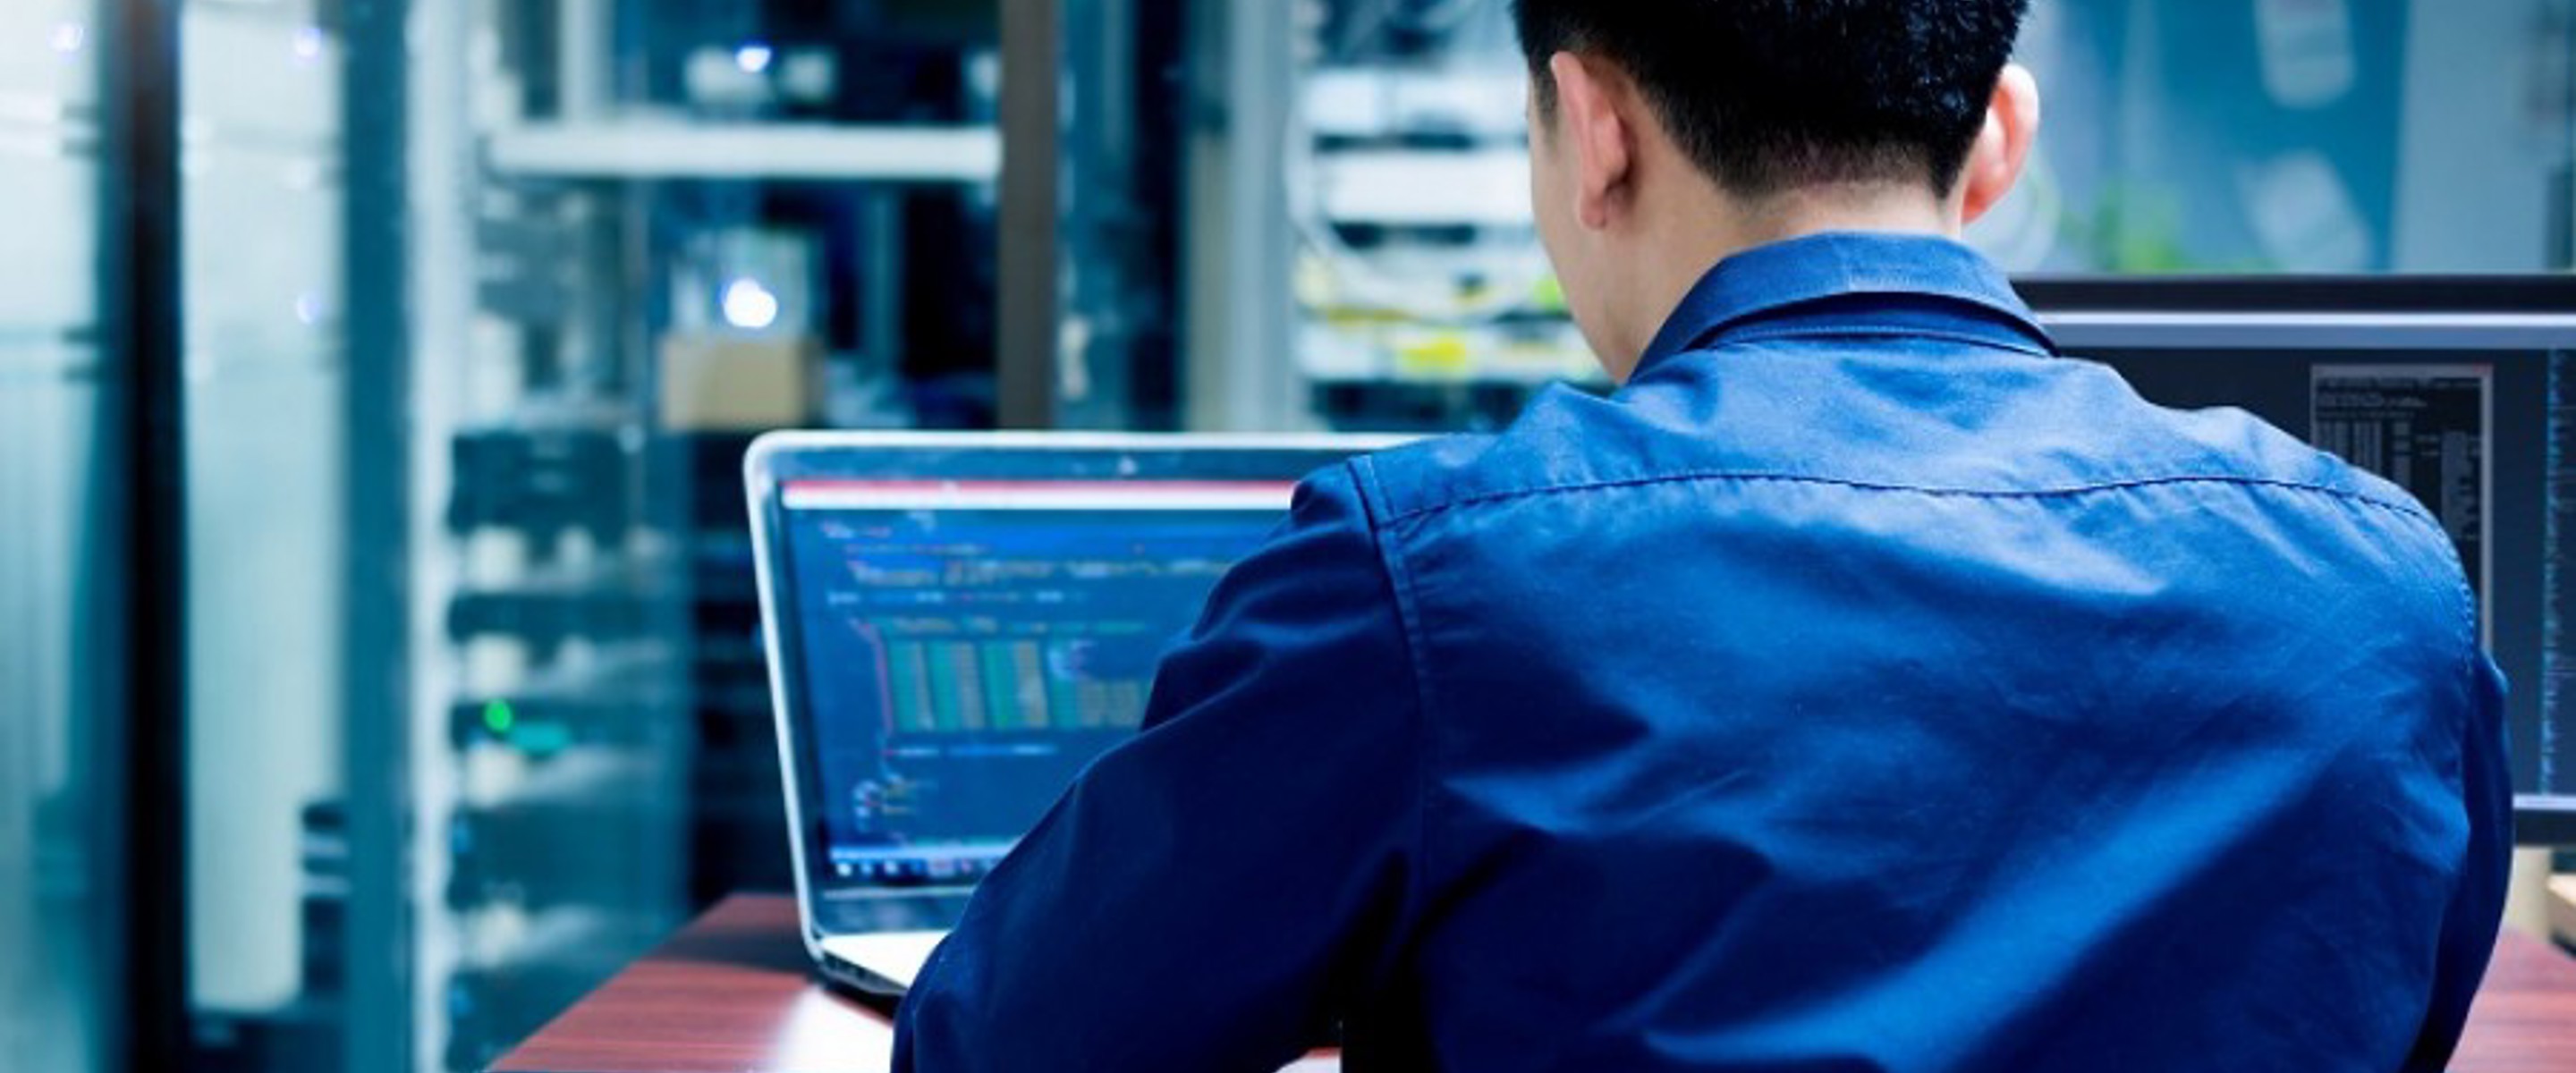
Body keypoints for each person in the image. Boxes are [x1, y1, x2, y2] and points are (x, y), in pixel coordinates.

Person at [894, 1, 2512, 1069]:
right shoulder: (2385, 590)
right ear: (1998, 143)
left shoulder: (1442, 577)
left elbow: (1001, 1048)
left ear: (1592, 127)